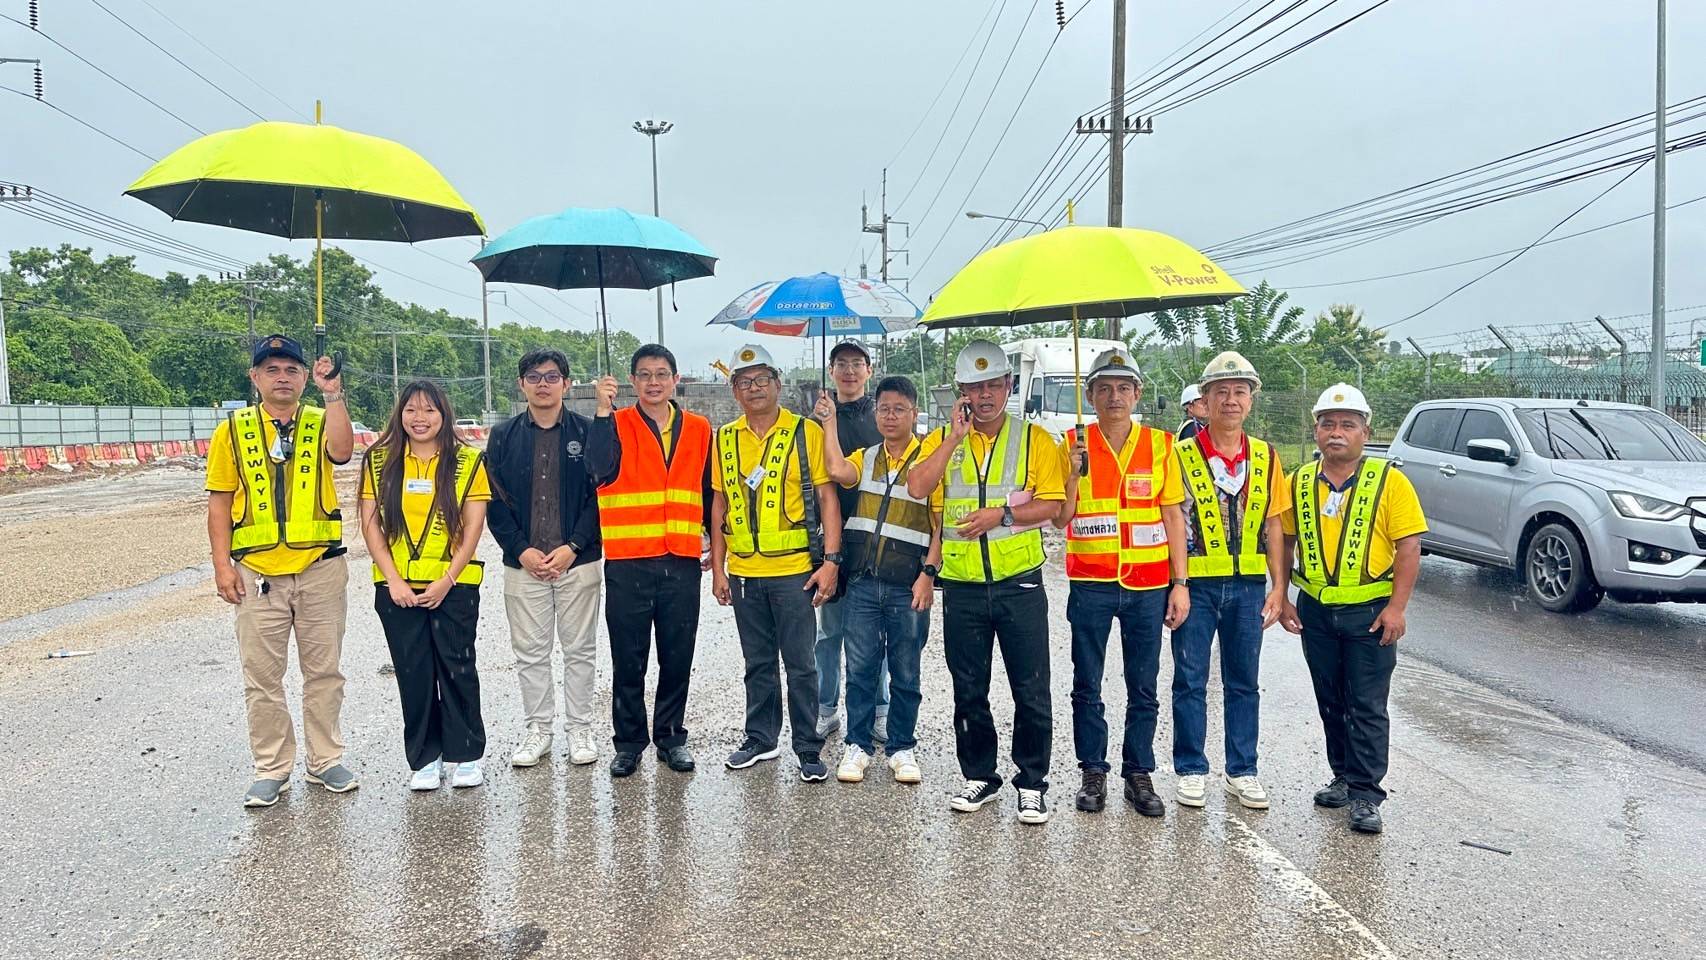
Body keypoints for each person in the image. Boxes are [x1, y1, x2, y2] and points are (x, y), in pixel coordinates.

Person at [905, 339, 1065, 825]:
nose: (985, 395)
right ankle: (980, 775)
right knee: (969, 688)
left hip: (1019, 583)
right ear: (961, 391)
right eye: (975, 387)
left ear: (1009, 386)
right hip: (962, 586)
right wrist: (952, 439)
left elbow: (1053, 505)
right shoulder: (943, 439)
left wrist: (1002, 515)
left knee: (1030, 689)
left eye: (994, 384)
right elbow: (918, 486)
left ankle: (1031, 783)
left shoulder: (1035, 440)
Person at [205, 333, 357, 808]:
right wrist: (222, 566)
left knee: (324, 673)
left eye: (291, 369)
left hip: (319, 569)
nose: (282, 377)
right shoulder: (232, 430)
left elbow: (343, 451)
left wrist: (333, 394)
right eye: (271, 370)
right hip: (257, 573)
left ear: (304, 377)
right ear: (255, 377)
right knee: (262, 678)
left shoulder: (319, 419)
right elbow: (219, 501)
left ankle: (325, 760)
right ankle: (271, 767)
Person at [1278, 384, 1426, 835]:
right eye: (1327, 424)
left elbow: (1409, 547)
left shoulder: (1390, 481)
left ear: (1366, 431)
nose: (1336, 432)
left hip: (1370, 613)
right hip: (1317, 612)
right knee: (1331, 700)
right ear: (1316, 430)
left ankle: (1366, 794)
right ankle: (1342, 776)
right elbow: (1283, 540)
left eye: (1347, 424)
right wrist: (1281, 595)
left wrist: (1397, 608)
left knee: (1366, 704)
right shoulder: (1299, 481)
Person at [1055, 349, 1190, 817]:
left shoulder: (1161, 444)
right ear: (1089, 395)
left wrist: (1180, 582)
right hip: (1090, 582)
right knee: (1086, 683)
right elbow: (1060, 518)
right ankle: (1092, 771)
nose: (1115, 396)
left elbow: (1173, 516)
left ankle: (1138, 773)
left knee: (1144, 684)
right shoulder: (1070, 443)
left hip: (1147, 585)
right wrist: (1072, 475)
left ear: (1137, 394)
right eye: (1104, 388)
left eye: (1124, 387)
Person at [710, 344, 842, 782]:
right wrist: (719, 568)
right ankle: (761, 738)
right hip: (745, 573)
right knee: (757, 662)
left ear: (778, 384)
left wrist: (831, 561)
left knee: (801, 664)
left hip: (794, 572)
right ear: (734, 390)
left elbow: (827, 499)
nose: (754, 388)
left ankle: (807, 747)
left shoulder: (806, 431)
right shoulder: (724, 438)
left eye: (762, 379)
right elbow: (719, 504)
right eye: (745, 382)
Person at [1170, 351, 1291, 812]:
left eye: (1240, 391)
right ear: (1204, 400)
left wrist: (1278, 588)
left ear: (1251, 400)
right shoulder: (1181, 455)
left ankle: (1242, 769)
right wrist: (1178, 583)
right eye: (1221, 392)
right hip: (1197, 587)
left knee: (1244, 681)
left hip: (1248, 589)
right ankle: (1191, 768)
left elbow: (1275, 524)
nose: (1231, 400)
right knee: (1190, 679)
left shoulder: (1266, 456)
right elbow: (1173, 519)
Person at [587, 344, 713, 777]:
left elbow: (709, 490)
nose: (653, 382)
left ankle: (671, 737)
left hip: (681, 560)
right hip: (628, 560)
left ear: (675, 379)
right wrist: (601, 412)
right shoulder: (614, 423)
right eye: (644, 374)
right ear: (632, 381)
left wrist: (714, 545)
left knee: (677, 656)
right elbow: (596, 468)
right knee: (629, 659)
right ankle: (628, 743)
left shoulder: (699, 428)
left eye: (661, 374)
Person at [359, 380, 491, 791]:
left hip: (454, 587)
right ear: (399, 415)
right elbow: (370, 525)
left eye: (430, 410)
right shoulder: (379, 460)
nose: (420, 419)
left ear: (444, 415)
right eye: (411, 410)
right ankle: (425, 759)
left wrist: (447, 579)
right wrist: (393, 580)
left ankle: (466, 755)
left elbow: (474, 526)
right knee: (413, 674)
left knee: (457, 668)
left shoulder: (468, 460)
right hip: (397, 589)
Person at [816, 375, 940, 785]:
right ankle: (857, 744)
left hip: (909, 584)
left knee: (906, 670)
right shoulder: (867, 457)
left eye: (899, 409)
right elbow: (836, 469)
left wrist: (929, 573)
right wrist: (829, 422)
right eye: (884, 409)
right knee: (861, 668)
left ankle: (902, 747)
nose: (890, 416)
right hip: (864, 582)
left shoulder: (930, 458)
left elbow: (940, 524)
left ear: (914, 414)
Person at [485, 349, 603, 769]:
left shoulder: (588, 432)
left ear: (566, 384)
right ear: (521, 384)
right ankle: (538, 730)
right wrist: (521, 549)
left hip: (579, 561)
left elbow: (600, 496)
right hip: (524, 564)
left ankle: (580, 729)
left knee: (580, 650)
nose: (543, 384)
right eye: (533, 377)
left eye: (552, 377)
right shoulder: (503, 436)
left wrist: (574, 546)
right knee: (530, 653)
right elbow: (493, 500)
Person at [813, 339, 890, 742]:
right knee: (829, 632)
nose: (849, 371)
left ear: (869, 370)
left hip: (877, 536)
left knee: (874, 633)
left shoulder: (883, 418)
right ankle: (825, 708)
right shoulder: (815, 421)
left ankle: (880, 709)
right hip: (833, 537)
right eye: (841, 364)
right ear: (831, 371)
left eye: (856, 363)